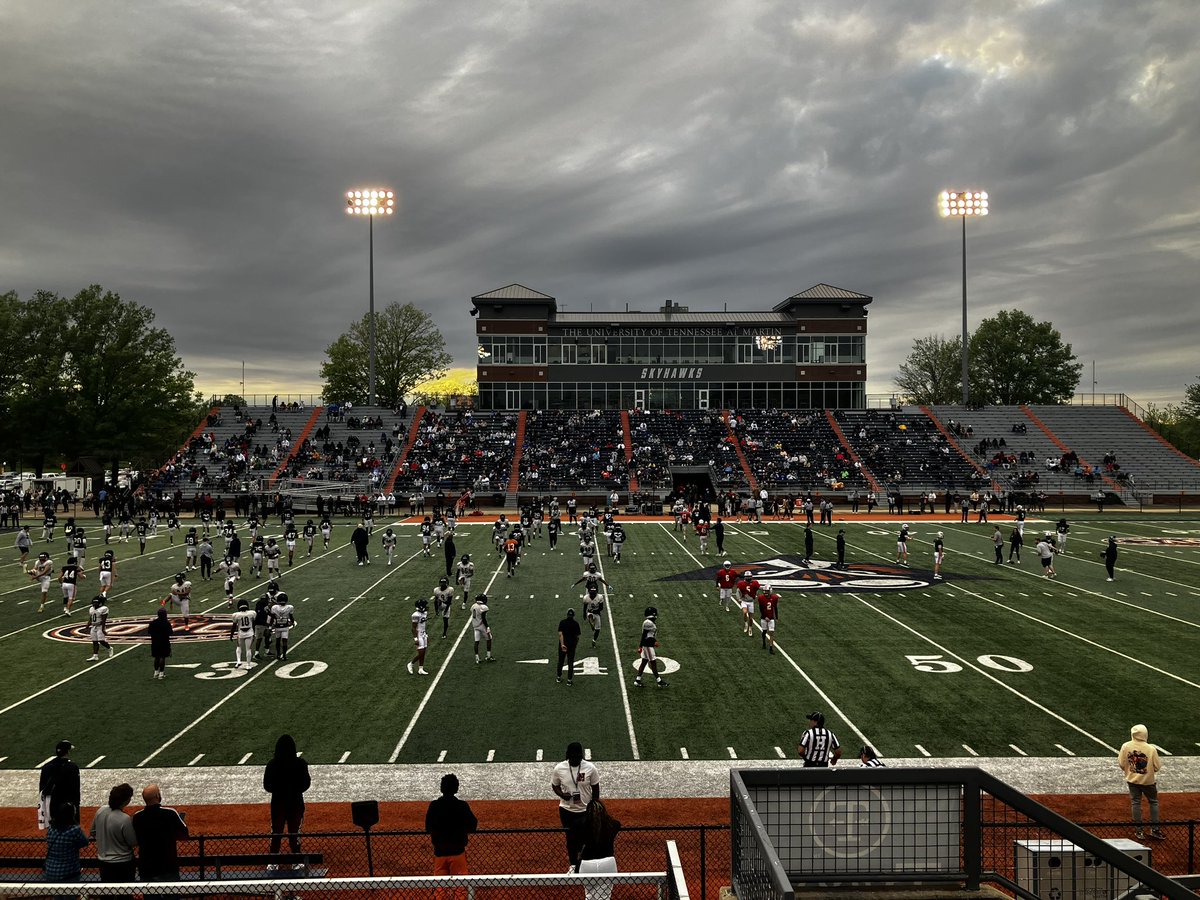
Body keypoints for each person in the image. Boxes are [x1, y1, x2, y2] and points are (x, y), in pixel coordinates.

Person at [425, 773, 478, 898]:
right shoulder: (462, 806)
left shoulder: (434, 805)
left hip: (440, 852)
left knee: (440, 888)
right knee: (460, 888)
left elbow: (428, 828)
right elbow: (473, 825)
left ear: (442, 788)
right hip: (457, 852)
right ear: (456, 788)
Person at [551, 741, 600, 871]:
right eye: (573, 757)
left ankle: (584, 863)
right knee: (571, 839)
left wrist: (594, 805)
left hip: (585, 810)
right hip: (567, 810)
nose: (575, 759)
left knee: (586, 838)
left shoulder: (590, 768)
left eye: (578, 757)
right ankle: (573, 865)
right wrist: (562, 794)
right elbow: (555, 785)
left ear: (581, 756)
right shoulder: (559, 768)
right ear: (567, 755)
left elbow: (595, 788)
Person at [264, 734, 311, 865]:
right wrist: (294, 789)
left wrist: (279, 789)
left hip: (278, 803)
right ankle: (296, 858)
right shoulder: (300, 764)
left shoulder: (272, 764)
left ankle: (274, 859)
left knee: (276, 832)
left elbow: (267, 785)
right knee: (294, 832)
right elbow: (306, 783)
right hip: (295, 801)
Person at [132, 784, 188, 881]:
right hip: (168, 866)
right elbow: (184, 834)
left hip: (147, 867)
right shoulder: (170, 813)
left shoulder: (137, 817)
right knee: (171, 894)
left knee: (150, 895)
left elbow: (135, 839)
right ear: (158, 796)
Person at [1118, 724, 1165, 840]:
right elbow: (1157, 767)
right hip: (1148, 782)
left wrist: (1130, 771)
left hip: (1132, 780)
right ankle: (1155, 829)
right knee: (1153, 802)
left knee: (1135, 803)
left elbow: (1121, 763)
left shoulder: (1126, 746)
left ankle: (1139, 831)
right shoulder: (1151, 749)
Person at [90, 783, 137, 882]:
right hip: (123, 863)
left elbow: (93, 832)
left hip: (104, 862)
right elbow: (132, 842)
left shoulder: (100, 811)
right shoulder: (125, 819)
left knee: (107, 894)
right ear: (126, 800)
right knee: (125, 895)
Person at [578, 798, 622, 900]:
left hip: (587, 864)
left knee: (589, 895)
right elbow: (617, 823)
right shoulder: (612, 825)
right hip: (607, 863)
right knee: (605, 897)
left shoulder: (581, 824)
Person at [44, 801, 89, 889]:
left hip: (50, 871)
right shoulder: (74, 830)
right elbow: (85, 842)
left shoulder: (51, 828)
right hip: (68, 873)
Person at [39, 741, 80, 829]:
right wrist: (76, 805)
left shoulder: (46, 766)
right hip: (67, 803)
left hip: (50, 802)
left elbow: (42, 788)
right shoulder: (72, 767)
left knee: (53, 828)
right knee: (70, 828)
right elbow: (75, 789)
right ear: (67, 752)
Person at [634, 606, 666, 687]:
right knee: (653, 663)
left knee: (644, 662)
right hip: (648, 646)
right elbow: (645, 636)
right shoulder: (648, 623)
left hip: (647, 645)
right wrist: (653, 642)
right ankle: (659, 681)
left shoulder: (650, 622)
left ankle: (637, 680)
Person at [557, 608, 581, 685]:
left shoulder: (562, 622)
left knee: (561, 661)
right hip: (571, 645)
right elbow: (577, 637)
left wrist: (562, 644)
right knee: (570, 662)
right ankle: (569, 680)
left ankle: (558, 677)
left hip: (563, 645)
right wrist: (575, 645)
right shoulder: (576, 624)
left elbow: (560, 634)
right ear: (573, 615)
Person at [148, 607, 174, 680]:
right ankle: (161, 673)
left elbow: (149, 632)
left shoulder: (153, 623)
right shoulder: (166, 623)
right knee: (162, 657)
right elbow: (170, 633)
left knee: (156, 657)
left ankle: (156, 672)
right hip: (164, 642)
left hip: (155, 642)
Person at [86, 594, 113, 661]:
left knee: (101, 641)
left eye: (96, 603)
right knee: (94, 641)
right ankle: (95, 656)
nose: (94, 604)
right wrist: (87, 625)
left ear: (100, 603)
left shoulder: (104, 609)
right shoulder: (91, 609)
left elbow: (104, 620)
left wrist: (103, 629)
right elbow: (91, 618)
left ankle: (110, 648)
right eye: (93, 602)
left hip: (100, 626)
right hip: (94, 626)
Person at [470, 593, 494, 663]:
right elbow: (483, 618)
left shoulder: (473, 606)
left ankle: (477, 658)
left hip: (475, 625)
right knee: (489, 638)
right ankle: (488, 656)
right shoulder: (483, 607)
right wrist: (487, 627)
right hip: (481, 625)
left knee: (476, 641)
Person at [409, 598, 431, 675]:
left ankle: (420, 669)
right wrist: (415, 639)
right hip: (419, 635)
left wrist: (426, 635)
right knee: (421, 652)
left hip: (423, 633)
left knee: (423, 652)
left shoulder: (424, 613)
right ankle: (411, 664)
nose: (426, 606)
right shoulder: (415, 615)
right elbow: (413, 628)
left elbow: (423, 625)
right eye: (425, 605)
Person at [757, 583, 779, 654]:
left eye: (767, 591)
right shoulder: (761, 598)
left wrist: (776, 617)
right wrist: (764, 616)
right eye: (765, 591)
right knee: (764, 631)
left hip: (771, 618)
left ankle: (771, 648)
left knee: (771, 633)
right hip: (764, 618)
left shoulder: (775, 598)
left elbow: (775, 608)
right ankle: (764, 642)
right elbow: (761, 608)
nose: (765, 592)